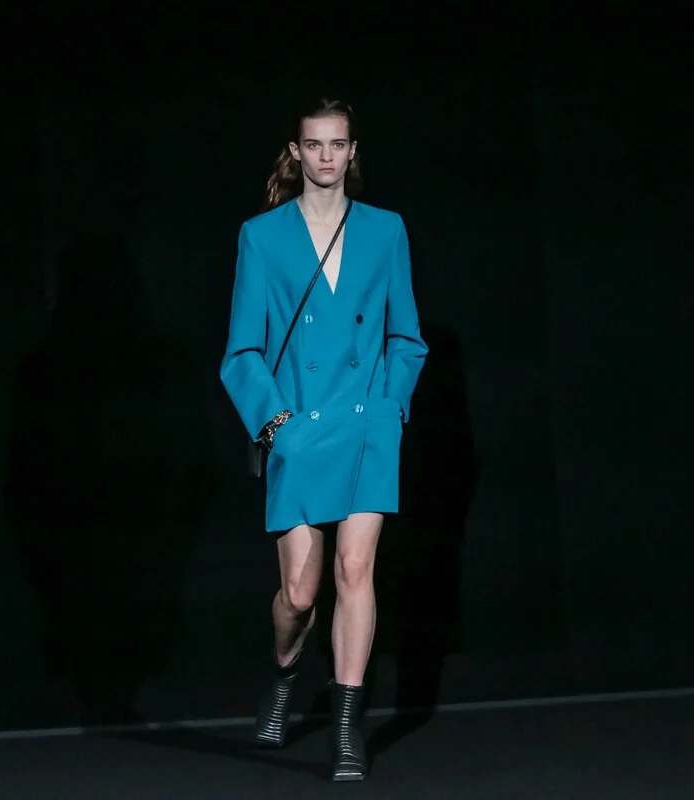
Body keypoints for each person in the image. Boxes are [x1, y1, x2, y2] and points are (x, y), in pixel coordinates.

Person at [220, 98, 428, 781]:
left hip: (366, 424)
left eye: (338, 144)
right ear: (296, 152)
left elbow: (406, 336)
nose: (327, 156)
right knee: (301, 594)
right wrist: (275, 426)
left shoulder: (385, 229)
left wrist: (390, 409)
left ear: (353, 151)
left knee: (355, 570)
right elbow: (242, 351)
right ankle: (284, 675)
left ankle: (345, 729)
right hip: (301, 429)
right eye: (315, 144)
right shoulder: (262, 236)